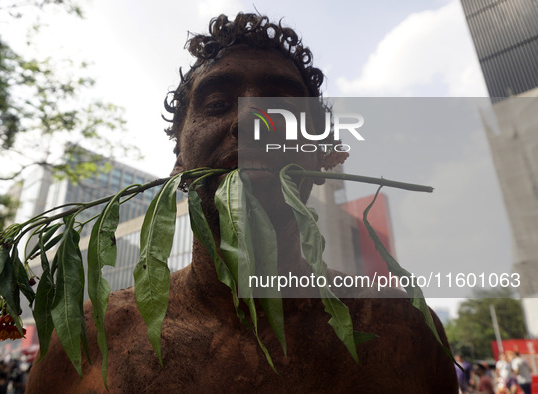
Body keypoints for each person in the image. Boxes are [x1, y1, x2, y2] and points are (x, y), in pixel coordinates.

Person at [25, 13, 457, 392]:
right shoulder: (85, 342)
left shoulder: (405, 331)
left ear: (322, 153)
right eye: (216, 104)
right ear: (179, 159)